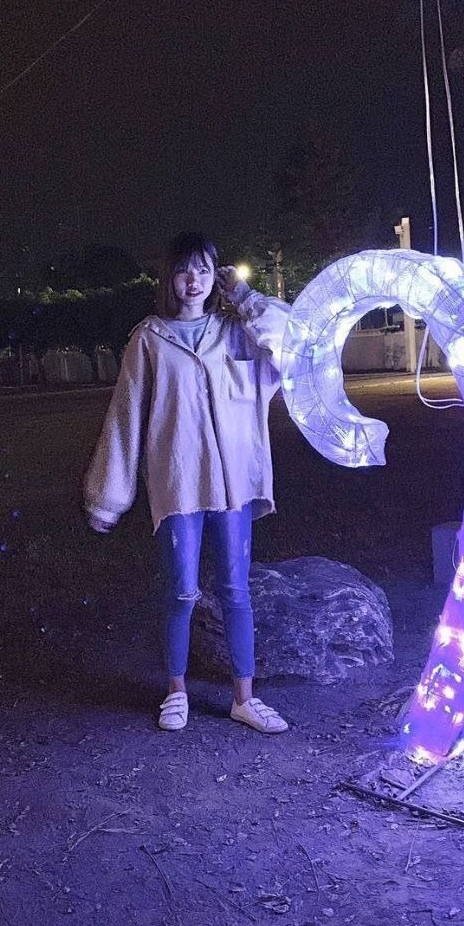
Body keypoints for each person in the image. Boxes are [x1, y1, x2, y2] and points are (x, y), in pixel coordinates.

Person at [82, 231, 291, 735]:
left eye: (203, 269)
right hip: (178, 484)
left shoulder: (236, 331)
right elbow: (126, 416)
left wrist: (243, 294)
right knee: (181, 593)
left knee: (236, 591)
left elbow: (290, 338)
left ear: (216, 275)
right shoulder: (150, 339)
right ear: (169, 278)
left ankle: (244, 698)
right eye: (183, 270)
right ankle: (175, 691)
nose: (193, 280)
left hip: (234, 486)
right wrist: (108, 495)